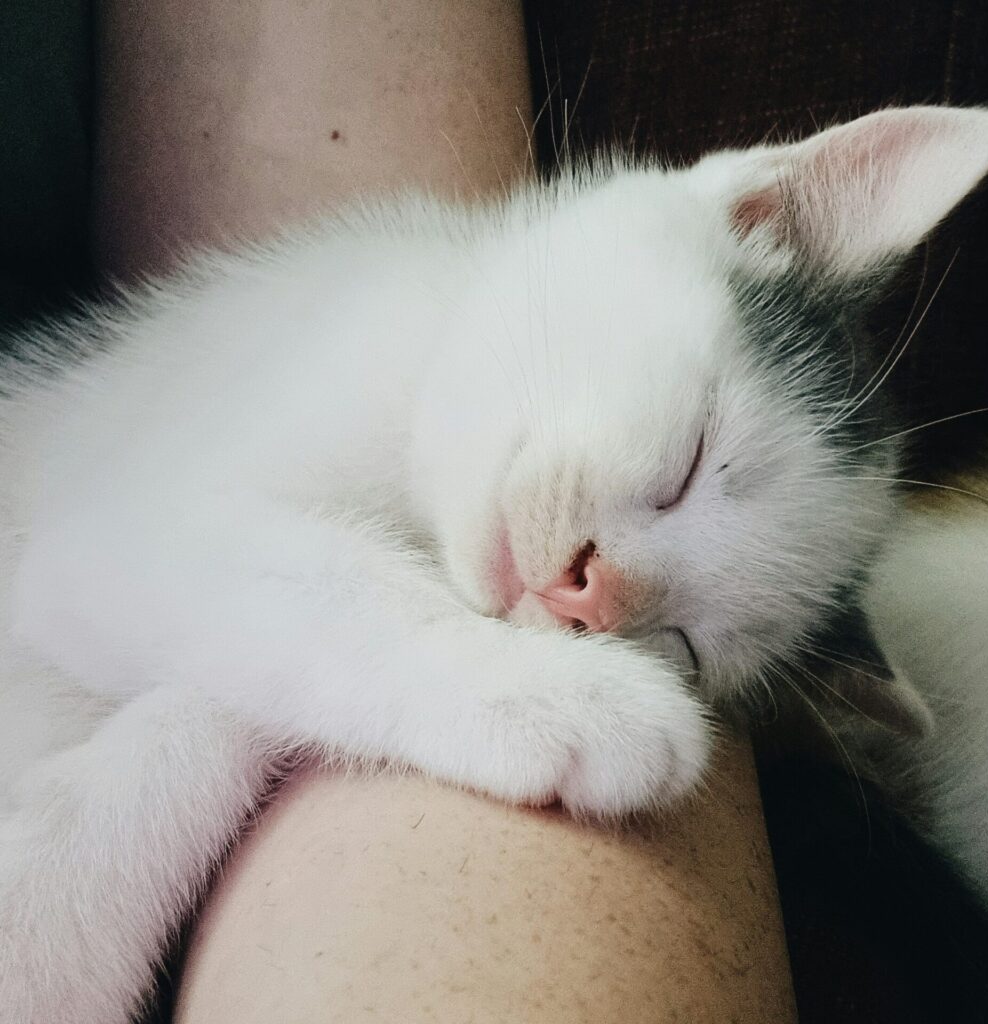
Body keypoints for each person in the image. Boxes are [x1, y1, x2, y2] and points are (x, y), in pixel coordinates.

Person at [88, 2, 797, 1021]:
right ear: (754, 213)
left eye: (679, 640)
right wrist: (446, 672)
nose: (607, 598)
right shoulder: (387, 305)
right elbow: (98, 567)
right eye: (684, 463)